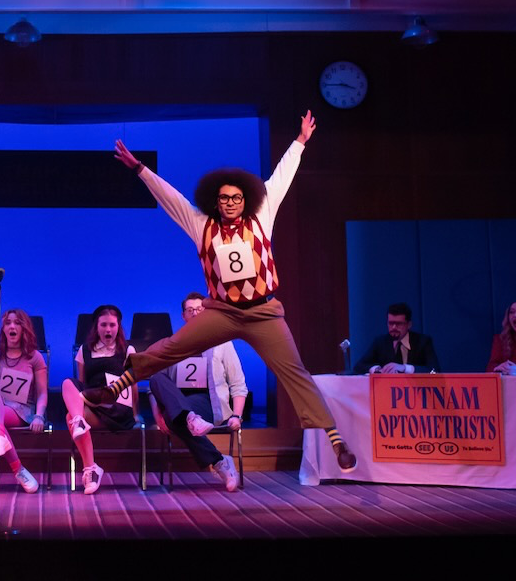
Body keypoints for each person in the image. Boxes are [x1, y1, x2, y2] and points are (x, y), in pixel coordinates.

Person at [85, 111, 357, 473]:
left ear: (246, 200)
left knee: (293, 369)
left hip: (263, 312)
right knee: (171, 347)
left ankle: (335, 439)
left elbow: (280, 178)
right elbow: (172, 198)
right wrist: (139, 170)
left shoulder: (263, 217)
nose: (230, 202)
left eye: (236, 197)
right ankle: (118, 386)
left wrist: (300, 141)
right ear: (216, 201)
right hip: (222, 312)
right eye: (224, 198)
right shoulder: (202, 225)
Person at [148, 294, 247, 491]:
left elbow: (238, 384)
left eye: (200, 309)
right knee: (155, 377)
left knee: (175, 418)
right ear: (183, 315)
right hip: (179, 402)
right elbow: (155, 388)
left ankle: (215, 455)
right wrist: (157, 416)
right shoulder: (173, 344)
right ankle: (219, 460)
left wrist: (237, 415)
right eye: (190, 310)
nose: (195, 314)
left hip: (209, 404)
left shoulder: (222, 343)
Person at [62, 304, 139, 495]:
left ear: (118, 327)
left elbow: (134, 385)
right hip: (94, 402)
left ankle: (91, 469)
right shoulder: (85, 350)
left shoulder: (128, 350)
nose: (108, 329)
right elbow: (81, 383)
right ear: (96, 327)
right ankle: (91, 468)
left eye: (112, 325)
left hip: (118, 408)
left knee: (69, 419)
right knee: (67, 385)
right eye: (104, 325)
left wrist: (137, 414)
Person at [0, 308, 46, 494]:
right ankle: (18, 468)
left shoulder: (34, 357)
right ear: (3, 329)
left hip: (21, 410)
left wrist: (39, 416)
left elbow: (42, 393)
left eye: (17, 323)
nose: (12, 326)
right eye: (7, 323)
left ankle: (4, 447)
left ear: (24, 329)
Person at [352, 302, 441, 375]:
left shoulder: (423, 342)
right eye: (390, 323)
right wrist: (377, 369)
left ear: (409, 325)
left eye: (398, 324)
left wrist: (405, 368)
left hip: (415, 392)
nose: (394, 327)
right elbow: (358, 367)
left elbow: (434, 371)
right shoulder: (380, 342)